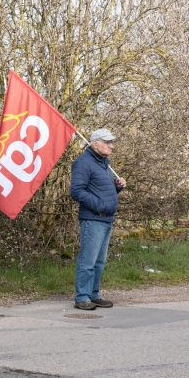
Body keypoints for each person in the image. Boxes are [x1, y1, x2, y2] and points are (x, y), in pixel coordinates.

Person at [70, 128, 126, 310]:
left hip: (106, 220)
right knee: (88, 260)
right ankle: (82, 297)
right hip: (93, 218)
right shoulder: (83, 163)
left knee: (99, 261)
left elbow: (100, 189)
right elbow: (77, 191)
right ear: (95, 143)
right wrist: (101, 206)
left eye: (112, 142)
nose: (111, 146)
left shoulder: (104, 163)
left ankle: (93, 294)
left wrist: (117, 187)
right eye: (107, 142)